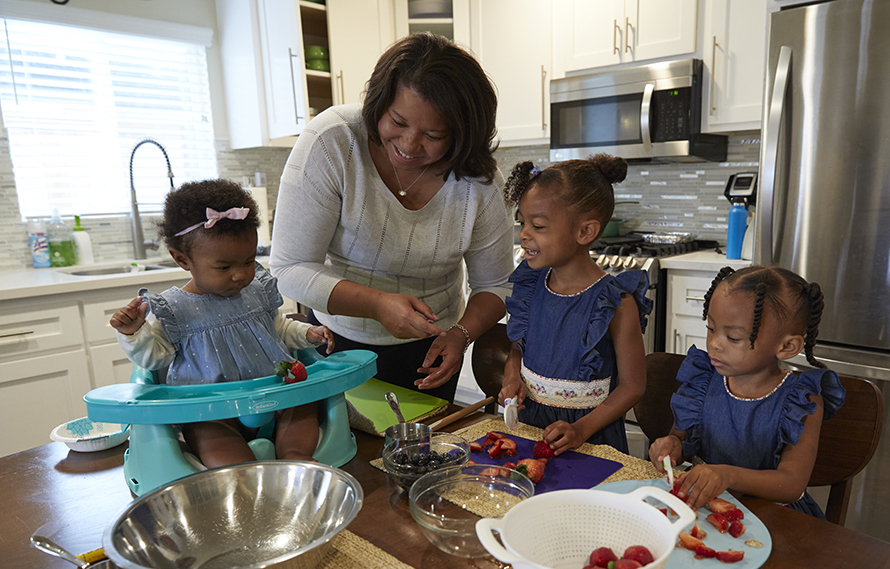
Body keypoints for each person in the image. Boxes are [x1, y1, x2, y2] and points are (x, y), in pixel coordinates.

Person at [269, 33, 513, 402]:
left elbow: (496, 284)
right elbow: (289, 267)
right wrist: (378, 304)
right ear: (378, 103)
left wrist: (460, 335)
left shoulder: (478, 181)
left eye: (433, 134)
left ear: (462, 136)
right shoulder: (333, 140)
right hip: (336, 342)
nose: (409, 145)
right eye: (397, 121)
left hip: (432, 350)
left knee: (421, 453)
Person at [109, 179, 336, 469]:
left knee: (303, 402)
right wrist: (132, 333)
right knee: (206, 431)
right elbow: (153, 359)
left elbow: (277, 330)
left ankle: (294, 456)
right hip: (213, 412)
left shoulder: (256, 290)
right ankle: (241, 473)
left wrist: (307, 333)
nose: (240, 275)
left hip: (273, 396)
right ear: (182, 259)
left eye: (249, 261)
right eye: (225, 267)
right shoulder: (174, 309)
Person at [648, 265, 846, 518]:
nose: (715, 344)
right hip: (705, 509)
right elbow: (680, 439)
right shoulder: (703, 380)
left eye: (733, 337)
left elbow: (791, 484)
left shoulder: (802, 400)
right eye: (711, 328)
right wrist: (670, 445)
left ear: (787, 346)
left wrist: (727, 475)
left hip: (774, 518)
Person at [499, 155, 651, 455]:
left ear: (585, 232)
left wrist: (582, 429)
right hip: (531, 428)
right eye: (523, 222)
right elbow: (518, 351)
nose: (524, 234)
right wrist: (512, 376)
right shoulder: (531, 287)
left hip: (591, 439)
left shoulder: (615, 303)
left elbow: (633, 386)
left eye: (538, 226)